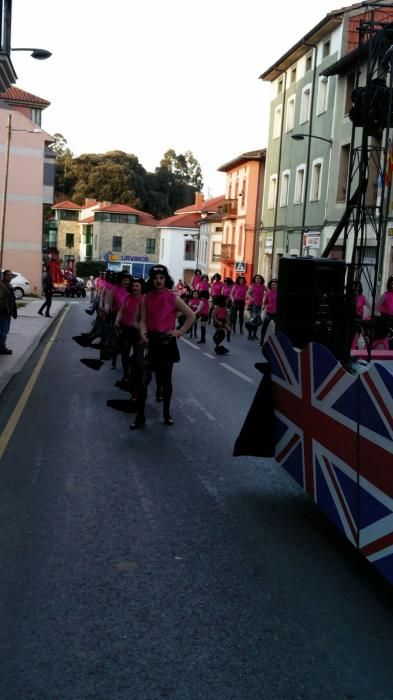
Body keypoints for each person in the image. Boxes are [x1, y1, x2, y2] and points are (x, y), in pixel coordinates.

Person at [135, 265, 195, 429]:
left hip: (167, 343)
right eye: (155, 278)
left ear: (165, 279)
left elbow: (191, 315)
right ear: (151, 280)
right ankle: (140, 416)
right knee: (143, 381)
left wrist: (180, 331)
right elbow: (142, 320)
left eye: (161, 278)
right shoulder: (146, 297)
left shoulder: (173, 297)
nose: (158, 281)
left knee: (166, 381)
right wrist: (143, 333)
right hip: (151, 342)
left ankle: (166, 414)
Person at [0, 269, 17, 354]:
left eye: (11, 275)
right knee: (3, 331)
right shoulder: (2, 286)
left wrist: (14, 311)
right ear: (4, 276)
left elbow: (12, 300)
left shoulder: (10, 286)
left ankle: (2, 346)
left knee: (5, 331)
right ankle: (2, 348)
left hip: (8, 312)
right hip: (3, 312)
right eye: (8, 275)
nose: (10, 276)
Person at [246, 274, 266, 340]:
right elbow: (247, 294)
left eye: (259, 278)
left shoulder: (263, 286)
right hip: (252, 305)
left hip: (259, 305)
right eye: (256, 278)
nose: (258, 279)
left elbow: (269, 292)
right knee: (253, 320)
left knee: (258, 321)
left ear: (261, 280)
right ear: (254, 279)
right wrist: (252, 298)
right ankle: (249, 335)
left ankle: (254, 335)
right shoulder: (252, 286)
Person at [259, 278, 278, 348]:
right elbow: (264, 302)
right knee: (264, 326)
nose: (273, 285)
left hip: (276, 313)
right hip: (268, 311)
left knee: (277, 328)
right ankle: (261, 341)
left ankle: (277, 342)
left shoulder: (280, 292)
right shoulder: (268, 293)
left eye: (275, 284)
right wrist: (263, 307)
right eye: (272, 284)